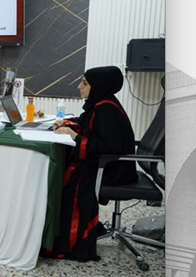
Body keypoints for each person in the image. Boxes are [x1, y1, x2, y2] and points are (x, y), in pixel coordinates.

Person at [45, 66, 137, 261]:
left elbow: (108, 147)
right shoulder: (100, 103)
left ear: (98, 86)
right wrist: (68, 125)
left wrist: (76, 137)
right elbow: (86, 124)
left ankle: (70, 242)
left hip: (113, 169)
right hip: (110, 164)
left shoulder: (105, 109)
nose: (79, 87)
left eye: (85, 83)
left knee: (71, 180)